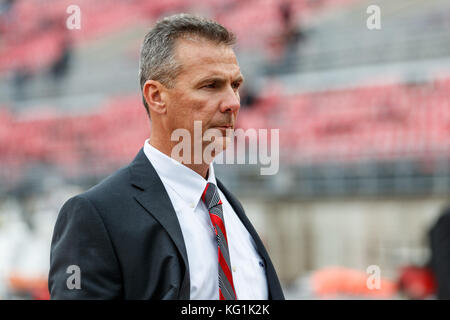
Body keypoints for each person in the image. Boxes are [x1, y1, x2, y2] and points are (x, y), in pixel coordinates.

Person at [48, 13, 285, 300]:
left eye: (235, 85)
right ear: (157, 96)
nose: (233, 103)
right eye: (211, 85)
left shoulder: (230, 210)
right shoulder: (95, 216)